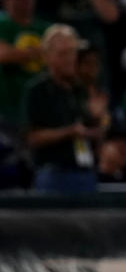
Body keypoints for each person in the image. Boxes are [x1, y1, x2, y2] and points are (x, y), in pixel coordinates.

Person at [24, 25, 100, 193]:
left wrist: (98, 121)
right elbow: (32, 138)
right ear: (47, 56)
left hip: (86, 172)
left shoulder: (81, 90)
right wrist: (69, 132)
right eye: (62, 53)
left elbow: (92, 132)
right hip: (53, 175)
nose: (69, 59)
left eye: (72, 52)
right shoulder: (37, 91)